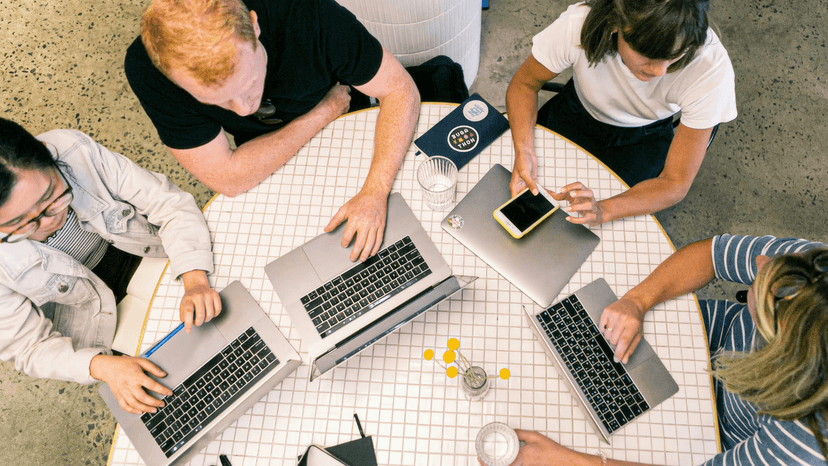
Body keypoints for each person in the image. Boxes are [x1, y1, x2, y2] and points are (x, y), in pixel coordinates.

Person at [125, 0, 420, 262]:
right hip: (292, 138)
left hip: (354, 123)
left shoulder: (306, 12)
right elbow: (228, 178)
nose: (243, 110)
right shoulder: (149, 68)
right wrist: (321, 114)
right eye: (219, 100)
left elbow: (399, 90)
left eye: (249, 82)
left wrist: (374, 192)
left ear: (254, 26)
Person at [496, 234, 828, 465]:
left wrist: (572, 462)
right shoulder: (812, 267)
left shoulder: (805, 444)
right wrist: (637, 302)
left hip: (714, 439)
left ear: (779, 339)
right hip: (704, 333)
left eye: (769, 281)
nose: (760, 260)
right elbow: (712, 254)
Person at [0, 118, 221, 415]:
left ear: (47, 154)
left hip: (147, 253)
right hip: (93, 322)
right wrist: (102, 365)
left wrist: (194, 277)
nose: (48, 223)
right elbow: (27, 347)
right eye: (19, 225)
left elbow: (168, 204)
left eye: (51, 199)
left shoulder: (72, 150)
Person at [506, 0, 737, 226]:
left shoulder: (711, 67)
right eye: (647, 54)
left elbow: (675, 182)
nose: (660, 71)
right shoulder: (578, 24)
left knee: (596, 228)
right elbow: (524, 84)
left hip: (645, 138)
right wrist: (524, 150)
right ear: (615, 23)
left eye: (674, 56)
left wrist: (603, 210)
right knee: (525, 190)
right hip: (574, 111)